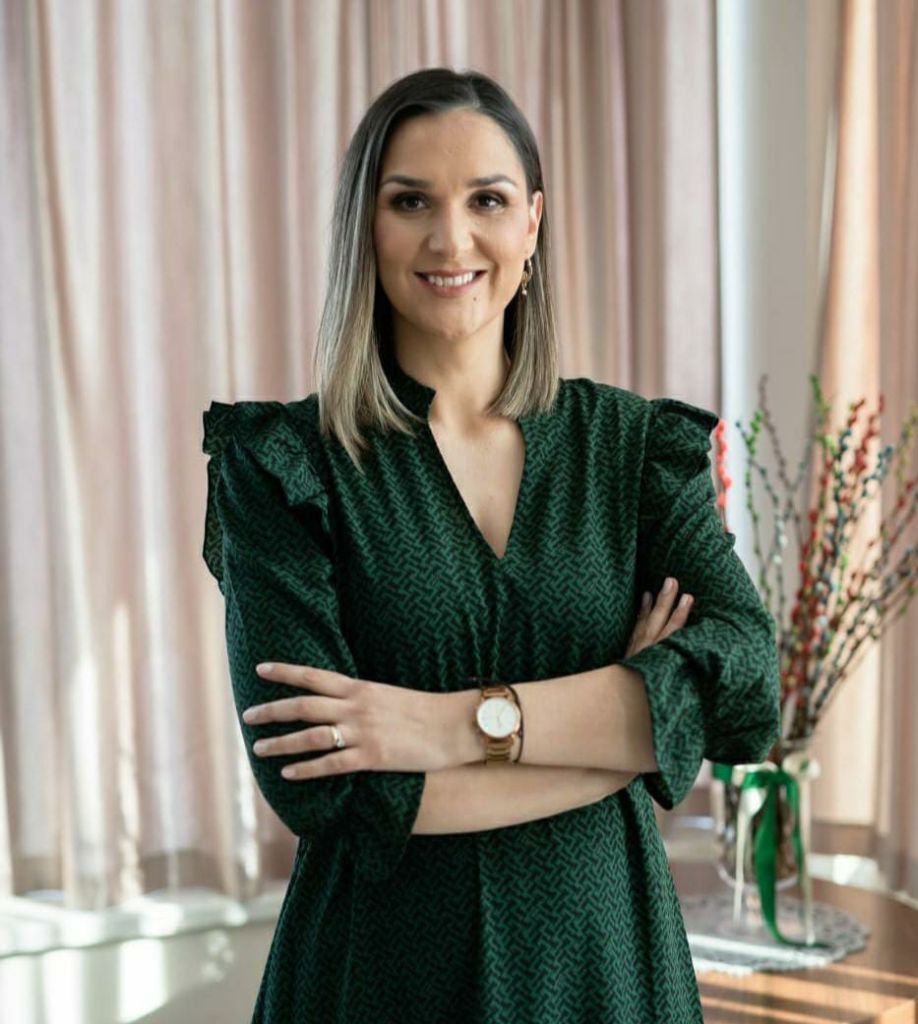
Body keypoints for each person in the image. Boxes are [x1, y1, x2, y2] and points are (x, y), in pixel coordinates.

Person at [201, 67, 781, 1024]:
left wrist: (450, 727)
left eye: (487, 200)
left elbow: (747, 685)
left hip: (605, 970)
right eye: (410, 201)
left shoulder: (631, 450)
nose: (450, 238)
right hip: (380, 982)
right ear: (365, 227)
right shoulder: (283, 469)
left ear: (533, 225)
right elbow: (325, 793)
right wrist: (626, 734)